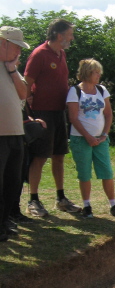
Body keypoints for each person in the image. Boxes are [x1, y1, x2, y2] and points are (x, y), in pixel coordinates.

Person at [24, 18, 81, 217]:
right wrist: (28, 107)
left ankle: (60, 198)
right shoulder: (39, 54)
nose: (72, 38)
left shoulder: (62, 54)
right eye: (70, 34)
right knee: (39, 157)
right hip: (42, 113)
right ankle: (33, 200)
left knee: (59, 156)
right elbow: (26, 83)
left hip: (59, 112)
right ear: (59, 35)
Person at [66, 58, 115, 220]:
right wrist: (88, 136)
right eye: (95, 72)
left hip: (101, 140)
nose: (99, 75)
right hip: (81, 139)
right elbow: (73, 117)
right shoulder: (74, 91)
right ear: (87, 73)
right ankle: (87, 205)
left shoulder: (101, 90)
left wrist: (104, 134)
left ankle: (113, 205)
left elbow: (108, 114)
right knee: (84, 173)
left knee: (106, 171)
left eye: (99, 72)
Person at [0, 27, 29, 241]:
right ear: (3, 43)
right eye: (17, 47)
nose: (19, 51)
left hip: (15, 133)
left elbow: (23, 93)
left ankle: (4, 221)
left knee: (13, 181)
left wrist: (12, 71)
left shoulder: (11, 67)